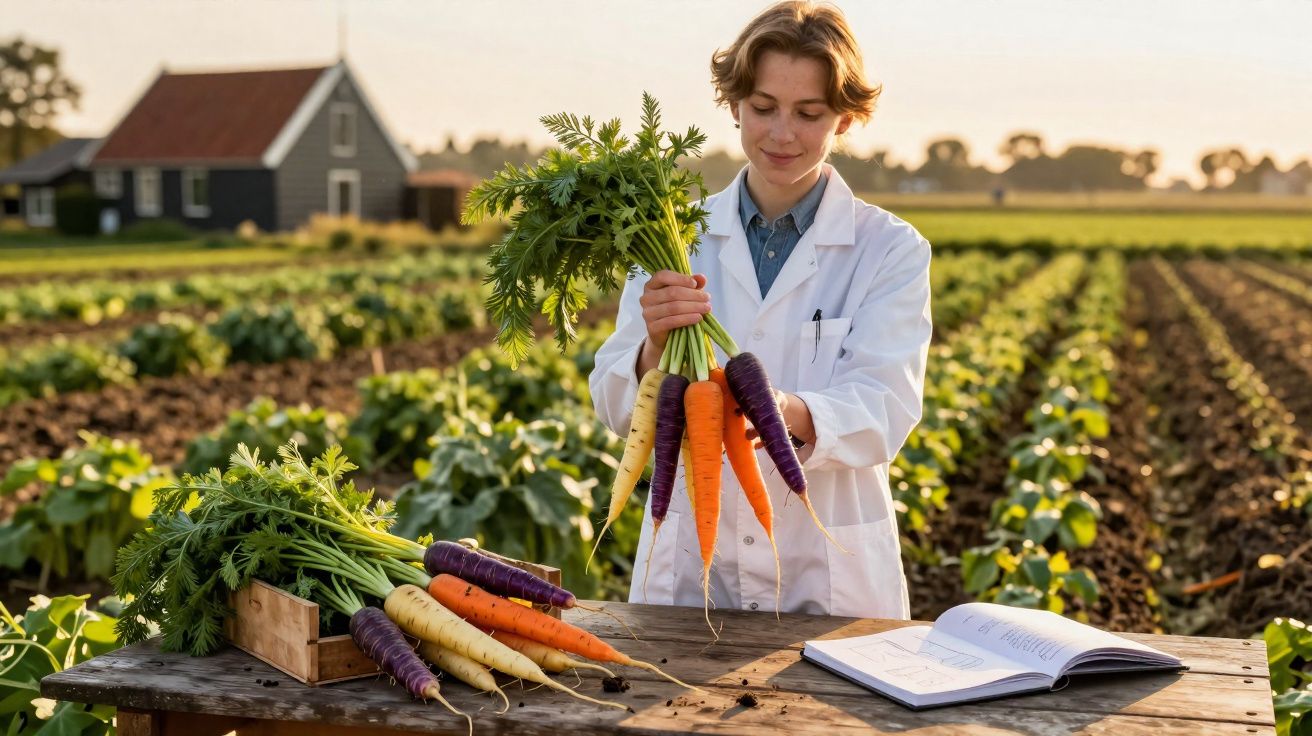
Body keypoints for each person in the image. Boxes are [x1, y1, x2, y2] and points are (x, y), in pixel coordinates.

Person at [589, 0, 932, 619]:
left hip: (830, 576)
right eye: (764, 108)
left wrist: (784, 413)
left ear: (846, 119)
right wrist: (653, 348)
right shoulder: (672, 234)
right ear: (734, 106)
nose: (782, 133)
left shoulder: (889, 249)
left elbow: (888, 406)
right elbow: (616, 405)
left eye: (809, 113)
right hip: (689, 567)